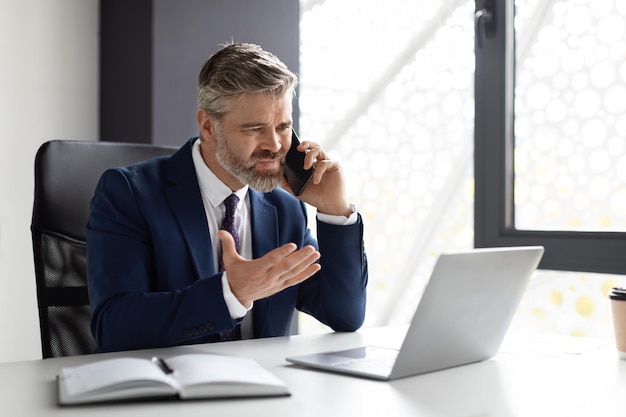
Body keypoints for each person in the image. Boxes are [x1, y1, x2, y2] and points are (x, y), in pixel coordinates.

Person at [87, 42, 368, 353]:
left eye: (284, 126)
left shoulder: (285, 208)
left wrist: (335, 211)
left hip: (266, 390)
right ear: (209, 126)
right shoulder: (129, 193)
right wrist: (229, 293)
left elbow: (345, 316)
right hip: (171, 392)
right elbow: (113, 328)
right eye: (255, 128)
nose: (274, 145)